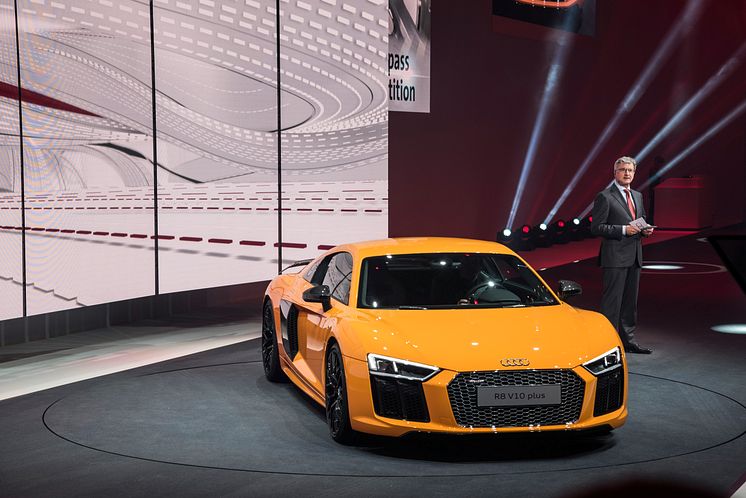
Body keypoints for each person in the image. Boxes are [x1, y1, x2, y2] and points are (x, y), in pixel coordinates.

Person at [591, 156, 654, 354]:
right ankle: (607, 344)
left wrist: (645, 229)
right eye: (623, 170)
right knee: (612, 303)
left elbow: (640, 219)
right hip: (615, 256)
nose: (627, 173)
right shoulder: (605, 196)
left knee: (629, 302)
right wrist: (624, 230)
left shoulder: (637, 195)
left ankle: (628, 341)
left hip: (635, 255)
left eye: (630, 170)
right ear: (615, 173)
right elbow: (596, 227)